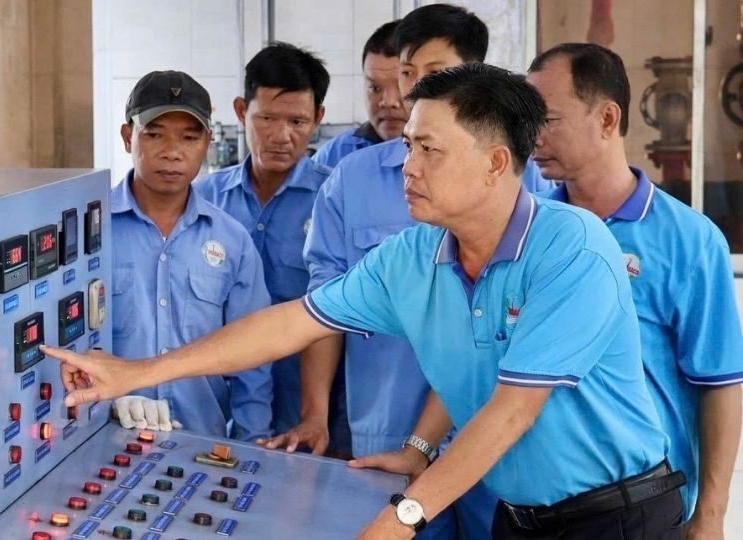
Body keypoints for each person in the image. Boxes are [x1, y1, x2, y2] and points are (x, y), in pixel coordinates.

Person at [43, 63, 683, 539]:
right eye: (408, 145)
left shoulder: (573, 248)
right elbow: (294, 322)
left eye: (428, 150)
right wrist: (139, 372)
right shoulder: (417, 255)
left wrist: (405, 514)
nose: (406, 166)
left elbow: (512, 411)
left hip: (614, 514)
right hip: (520, 517)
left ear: (495, 162)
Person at [263, 5, 552, 536]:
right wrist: (316, 412)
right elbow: (317, 312)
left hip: (500, 443)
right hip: (389, 431)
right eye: (406, 73)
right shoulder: (351, 181)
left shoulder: (528, 189)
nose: (407, 92)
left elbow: (494, 333)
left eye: (433, 74)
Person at [528, 43, 743, 537]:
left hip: (641, 506)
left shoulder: (687, 239)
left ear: (607, 118)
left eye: (549, 119)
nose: (533, 137)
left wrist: (710, 514)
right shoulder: (529, 228)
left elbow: (720, 384)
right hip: (536, 506)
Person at [107, 70, 273, 442]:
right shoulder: (90, 233)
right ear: (126, 136)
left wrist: (252, 447)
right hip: (104, 442)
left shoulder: (232, 242)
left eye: (189, 137)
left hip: (204, 443)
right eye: (154, 134)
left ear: (208, 143)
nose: (172, 151)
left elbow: (254, 356)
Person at [194, 43, 331, 436]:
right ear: (241, 111)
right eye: (267, 118)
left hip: (304, 414)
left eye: (298, 122)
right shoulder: (204, 200)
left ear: (318, 118)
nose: (281, 136)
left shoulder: (334, 201)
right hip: (216, 406)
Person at [312, 20, 407, 168]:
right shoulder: (334, 158)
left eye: (401, 86)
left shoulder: (451, 157)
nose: (388, 102)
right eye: (375, 88)